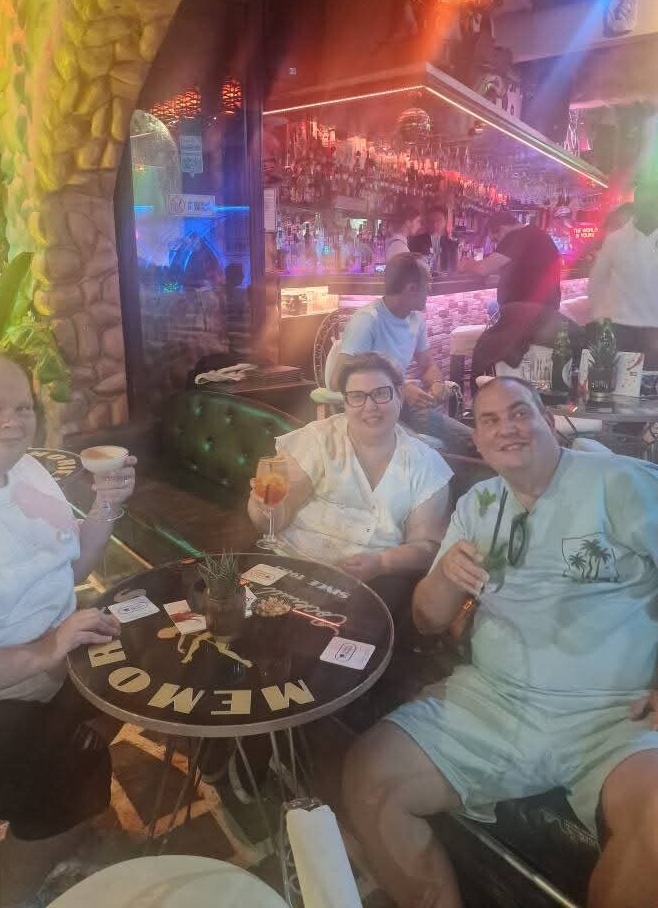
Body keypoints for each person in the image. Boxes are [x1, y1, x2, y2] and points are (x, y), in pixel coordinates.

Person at [343, 377, 658, 908]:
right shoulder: (479, 505)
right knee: (369, 777)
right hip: (493, 701)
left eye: (519, 412)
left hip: (614, 717)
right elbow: (426, 619)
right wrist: (446, 575)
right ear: (478, 439)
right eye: (488, 420)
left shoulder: (619, 481)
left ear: (548, 421)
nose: (505, 428)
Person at [0, 353, 136, 904]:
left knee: (142, 665)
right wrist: (45, 650)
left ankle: (65, 820)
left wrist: (107, 505)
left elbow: (69, 569)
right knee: (75, 763)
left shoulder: (27, 469)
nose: (12, 422)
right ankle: (14, 894)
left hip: (47, 664)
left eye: (22, 407)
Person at [248, 352, 452, 615]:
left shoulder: (425, 464)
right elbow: (275, 516)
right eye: (357, 396)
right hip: (291, 563)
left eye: (381, 393)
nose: (370, 406)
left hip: (370, 583)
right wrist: (263, 508)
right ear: (345, 403)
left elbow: (426, 546)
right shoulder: (318, 440)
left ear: (399, 396)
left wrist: (382, 563)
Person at [330, 253, 473, 451]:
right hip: (372, 412)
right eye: (428, 280)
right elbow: (337, 380)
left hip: (403, 408)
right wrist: (399, 387)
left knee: (474, 441)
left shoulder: (416, 319)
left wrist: (437, 384)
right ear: (411, 288)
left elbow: (427, 365)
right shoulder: (368, 320)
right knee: (425, 450)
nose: (431, 287)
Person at [460, 212, 575, 383]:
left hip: (525, 315)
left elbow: (483, 268)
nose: (497, 245)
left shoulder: (515, 237)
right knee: (493, 311)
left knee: (483, 349)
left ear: (502, 229)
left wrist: (466, 264)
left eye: (495, 240)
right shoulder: (538, 235)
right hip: (545, 314)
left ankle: (488, 385)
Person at [588, 184, 658, 368]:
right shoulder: (616, 240)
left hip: (655, 330)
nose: (649, 204)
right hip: (619, 328)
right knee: (617, 379)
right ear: (636, 202)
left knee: (652, 381)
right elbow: (596, 282)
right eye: (644, 199)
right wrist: (601, 319)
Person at [409, 207, 458, 274]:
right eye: (431, 221)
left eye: (439, 221)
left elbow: (454, 270)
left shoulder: (451, 245)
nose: (435, 225)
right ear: (426, 223)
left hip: (445, 279)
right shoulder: (414, 242)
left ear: (445, 221)